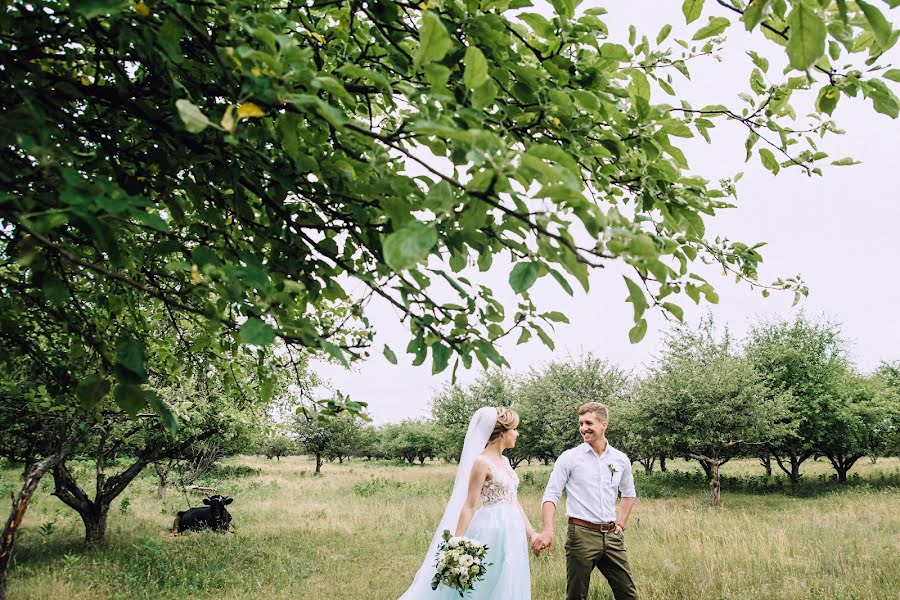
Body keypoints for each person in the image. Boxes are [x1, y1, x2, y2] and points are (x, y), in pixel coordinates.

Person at [399, 407, 536, 599]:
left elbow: (514, 500)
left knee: (511, 577)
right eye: (514, 429)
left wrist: (532, 533)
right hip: (492, 528)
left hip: (513, 529)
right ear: (502, 433)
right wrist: (457, 543)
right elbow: (470, 505)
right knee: (488, 581)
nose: (517, 433)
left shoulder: (505, 461)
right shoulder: (482, 463)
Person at [532, 402, 638, 600]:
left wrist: (621, 523)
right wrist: (548, 529)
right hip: (581, 534)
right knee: (576, 595)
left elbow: (629, 492)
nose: (583, 428)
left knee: (628, 594)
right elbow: (551, 495)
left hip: (612, 535)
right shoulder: (570, 458)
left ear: (603, 424)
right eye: (580, 423)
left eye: (588, 423)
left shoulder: (620, 459)